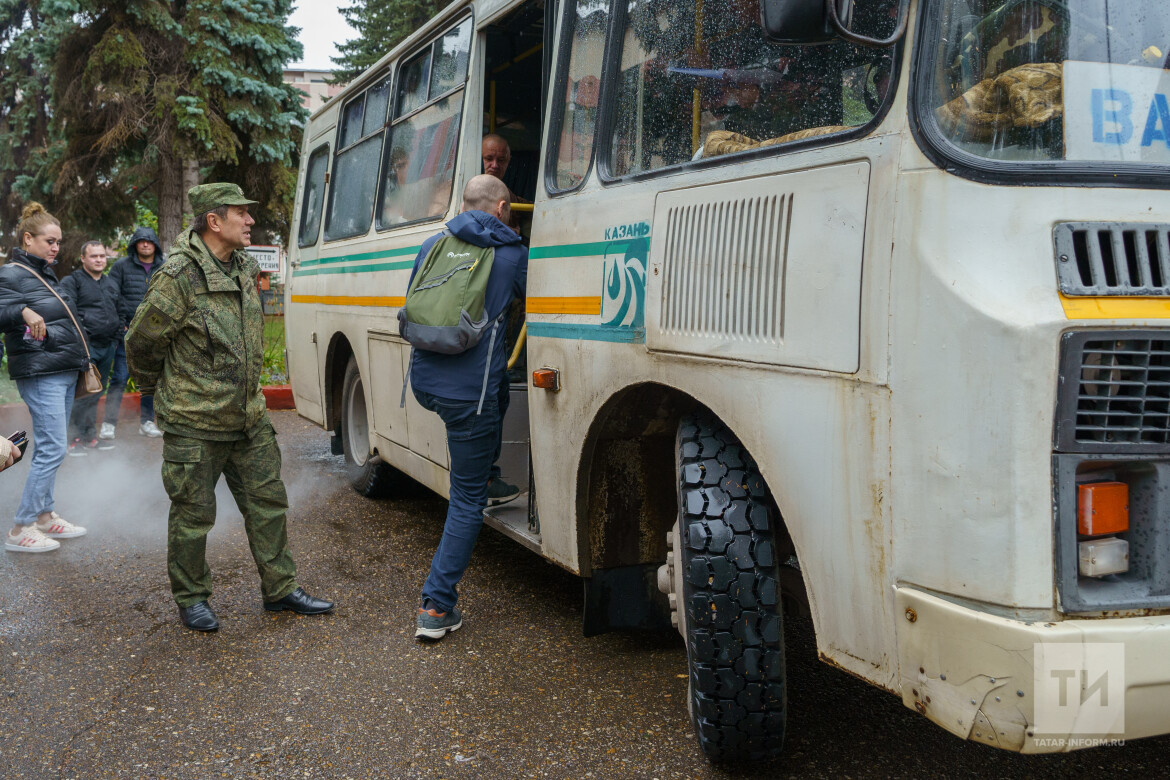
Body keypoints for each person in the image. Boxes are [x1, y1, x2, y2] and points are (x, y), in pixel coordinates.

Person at [126, 183, 334, 632]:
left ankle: (280, 589)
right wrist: (163, 393)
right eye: (242, 213)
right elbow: (141, 343)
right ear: (214, 221)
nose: (250, 220)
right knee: (192, 515)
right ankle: (192, 598)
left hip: (248, 418)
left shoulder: (243, 266)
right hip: (195, 422)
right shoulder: (178, 276)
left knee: (268, 504)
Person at [409, 174, 528, 640]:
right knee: (466, 500)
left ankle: (491, 473)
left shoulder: (431, 246)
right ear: (501, 209)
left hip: (426, 382)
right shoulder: (513, 255)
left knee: (500, 387)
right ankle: (437, 606)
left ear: (464, 206)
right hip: (467, 399)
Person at [0, 203, 90, 553]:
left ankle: (44, 515)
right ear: (28, 238)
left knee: (54, 446)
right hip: (41, 372)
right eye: (50, 241)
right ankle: (20, 528)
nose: (56, 248)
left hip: (61, 369)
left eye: (58, 242)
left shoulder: (45, 273)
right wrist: (22, 310)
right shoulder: (11, 273)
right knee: (52, 448)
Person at [61, 241, 121, 454]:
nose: (99, 260)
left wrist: (115, 338)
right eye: (94, 256)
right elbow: (68, 313)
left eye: (102, 256)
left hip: (107, 346)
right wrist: (83, 340)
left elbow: (120, 310)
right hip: (85, 348)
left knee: (95, 393)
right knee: (81, 393)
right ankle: (73, 438)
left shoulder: (111, 283)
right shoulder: (72, 282)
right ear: (83, 258)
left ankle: (89, 436)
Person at [106, 226, 166, 439]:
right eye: (141, 241)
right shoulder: (121, 266)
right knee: (119, 378)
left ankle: (147, 422)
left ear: (155, 245)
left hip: (153, 334)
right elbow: (111, 295)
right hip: (127, 333)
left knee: (148, 382)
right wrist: (120, 323)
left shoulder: (165, 267)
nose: (145, 244)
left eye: (149, 241)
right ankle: (109, 423)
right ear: (135, 244)